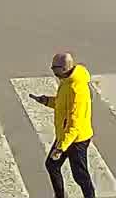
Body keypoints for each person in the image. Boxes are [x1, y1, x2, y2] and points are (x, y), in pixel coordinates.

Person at [29, 51, 95, 198]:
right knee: (52, 165)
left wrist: (60, 148)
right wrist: (46, 100)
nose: (52, 70)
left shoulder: (76, 89)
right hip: (66, 135)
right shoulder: (67, 81)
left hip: (76, 139)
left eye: (55, 68)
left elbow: (74, 124)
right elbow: (63, 105)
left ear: (64, 69)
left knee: (80, 176)